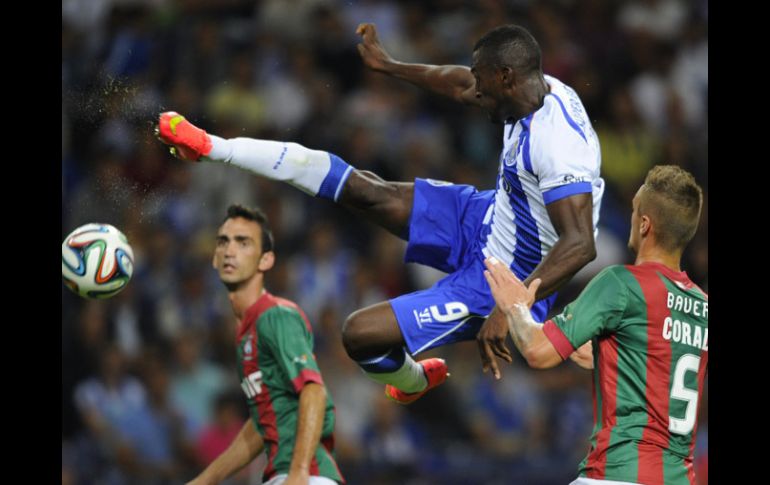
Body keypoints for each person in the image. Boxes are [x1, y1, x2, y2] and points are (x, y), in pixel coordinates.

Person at [156, 22, 602, 404]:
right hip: (487, 217)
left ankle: (412, 380)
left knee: (359, 335)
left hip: (508, 280)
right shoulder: (525, 90)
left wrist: (513, 308)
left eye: (483, 82)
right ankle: (215, 148)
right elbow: (461, 82)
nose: (476, 90)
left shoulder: (559, 146)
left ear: (506, 77)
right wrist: (389, 65)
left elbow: (581, 244)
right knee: (367, 191)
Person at [482, 165, 707, 485]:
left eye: (634, 210)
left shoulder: (622, 283)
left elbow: (537, 351)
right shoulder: (702, 306)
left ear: (645, 225)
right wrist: (606, 356)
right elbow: (658, 363)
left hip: (617, 474)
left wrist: (513, 306)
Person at [187, 205, 344, 485]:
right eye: (224, 242)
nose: (230, 250)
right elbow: (262, 424)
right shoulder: (245, 333)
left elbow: (314, 391)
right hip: (282, 474)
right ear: (215, 259)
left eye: (243, 242)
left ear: (266, 260)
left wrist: (299, 473)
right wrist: (204, 480)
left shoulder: (276, 316)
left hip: (308, 474)